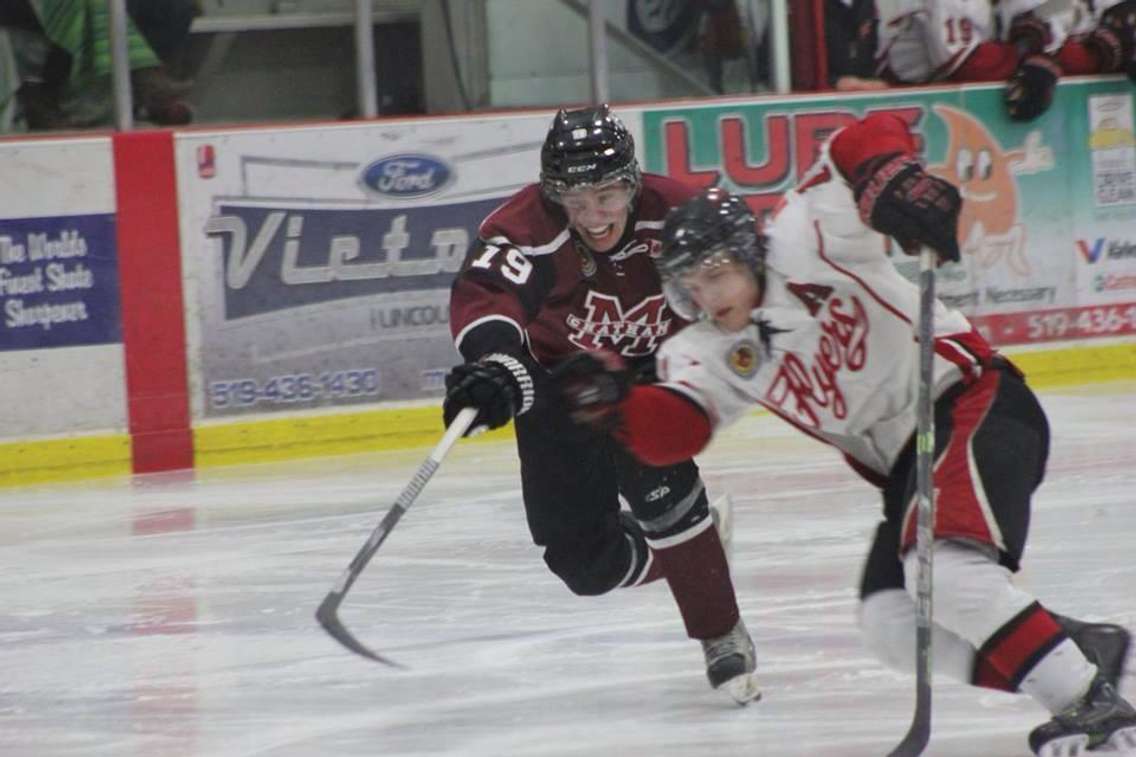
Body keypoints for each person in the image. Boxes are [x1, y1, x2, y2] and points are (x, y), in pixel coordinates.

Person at [550, 112, 1136, 755]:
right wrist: (617, 408)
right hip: (908, 467)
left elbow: (866, 135)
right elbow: (677, 432)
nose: (706, 298)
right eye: (689, 287)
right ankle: (1085, 653)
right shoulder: (711, 348)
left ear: (750, 253)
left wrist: (894, 181)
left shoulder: (807, 238)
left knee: (940, 571)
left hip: (972, 405)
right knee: (890, 625)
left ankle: (1092, 708)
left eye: (715, 274)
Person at [440, 105, 760, 704]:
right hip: (560, 379)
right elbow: (489, 295)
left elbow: (750, 276)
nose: (593, 215)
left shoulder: (680, 215)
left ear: (632, 181)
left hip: (651, 373)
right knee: (585, 566)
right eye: (575, 199)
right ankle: (691, 549)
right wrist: (492, 366)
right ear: (552, 192)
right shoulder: (525, 228)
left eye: (608, 195)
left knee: (657, 476)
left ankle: (720, 631)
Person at [875, 0, 1132, 121]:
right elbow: (970, 64)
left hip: (967, 111)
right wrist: (1035, 56)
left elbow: (1060, 44)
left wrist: (1099, 53)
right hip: (907, 108)